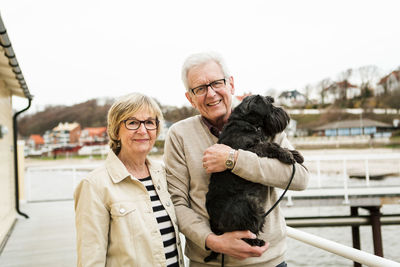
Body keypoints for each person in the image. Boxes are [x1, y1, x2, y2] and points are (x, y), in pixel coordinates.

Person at [164, 52, 309, 267]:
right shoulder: (179, 134)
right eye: (200, 88)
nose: (211, 94)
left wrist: (234, 160)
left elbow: (300, 179)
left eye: (216, 83)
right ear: (190, 98)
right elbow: (177, 203)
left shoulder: (265, 123)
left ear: (231, 84)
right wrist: (214, 242)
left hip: (269, 262)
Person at [74, 93, 184, 267]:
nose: (142, 130)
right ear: (116, 131)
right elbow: (90, 259)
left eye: (149, 122)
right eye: (132, 123)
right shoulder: (94, 185)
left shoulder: (163, 174)